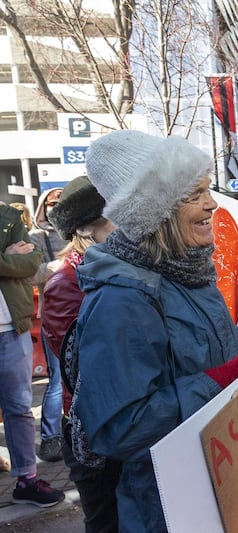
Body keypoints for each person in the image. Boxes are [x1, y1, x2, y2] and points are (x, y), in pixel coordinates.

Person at [74, 129, 238, 532]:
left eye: (208, 190)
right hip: (171, 510)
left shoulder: (186, 271)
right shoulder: (122, 300)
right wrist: (218, 380)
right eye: (194, 195)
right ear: (155, 212)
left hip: (224, 482)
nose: (211, 205)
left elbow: (184, 349)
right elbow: (121, 429)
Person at [41, 176, 121, 532]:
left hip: (123, 424)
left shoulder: (116, 271)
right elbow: (87, 364)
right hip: (96, 436)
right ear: (88, 228)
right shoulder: (65, 285)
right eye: (117, 215)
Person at [0, 201, 65, 507]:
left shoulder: (9, 217)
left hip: (14, 327)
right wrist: (5, 259)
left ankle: (26, 479)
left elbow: (30, 264)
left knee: (20, 408)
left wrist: (10, 261)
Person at [29, 187, 68, 462]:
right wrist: (61, 264)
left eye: (60, 203)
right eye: (51, 203)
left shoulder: (78, 231)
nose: (56, 207)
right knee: (56, 381)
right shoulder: (36, 237)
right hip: (53, 317)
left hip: (83, 314)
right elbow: (32, 274)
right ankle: (50, 438)